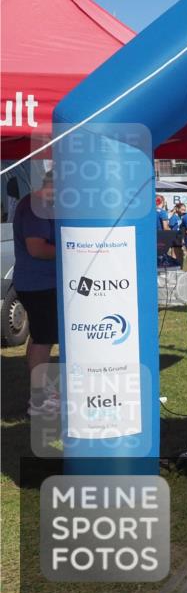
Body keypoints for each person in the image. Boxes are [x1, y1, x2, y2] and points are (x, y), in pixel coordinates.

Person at [13, 172, 59, 416]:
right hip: (40, 284)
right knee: (44, 339)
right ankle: (40, 400)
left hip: (37, 283)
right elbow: (37, 248)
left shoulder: (39, 203)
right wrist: (71, 247)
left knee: (40, 337)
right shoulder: (37, 205)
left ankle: (39, 393)